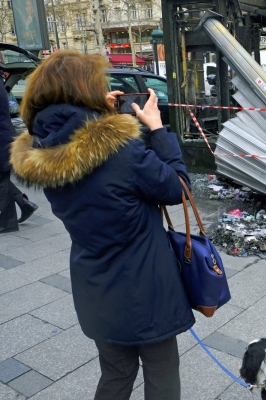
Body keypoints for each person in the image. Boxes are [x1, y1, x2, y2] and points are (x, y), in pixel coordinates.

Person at [10, 50, 195, 399]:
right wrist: (157, 129)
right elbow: (177, 188)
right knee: (161, 371)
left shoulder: (41, 149)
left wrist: (99, 116)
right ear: (86, 89)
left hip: (94, 286)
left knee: (116, 373)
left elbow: (88, 152)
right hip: (146, 286)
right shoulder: (120, 149)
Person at [0, 82, 37, 233]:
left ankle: (8, 223)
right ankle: (24, 204)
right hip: (4, 136)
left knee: (2, 181)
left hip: (2, 139)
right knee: (2, 179)